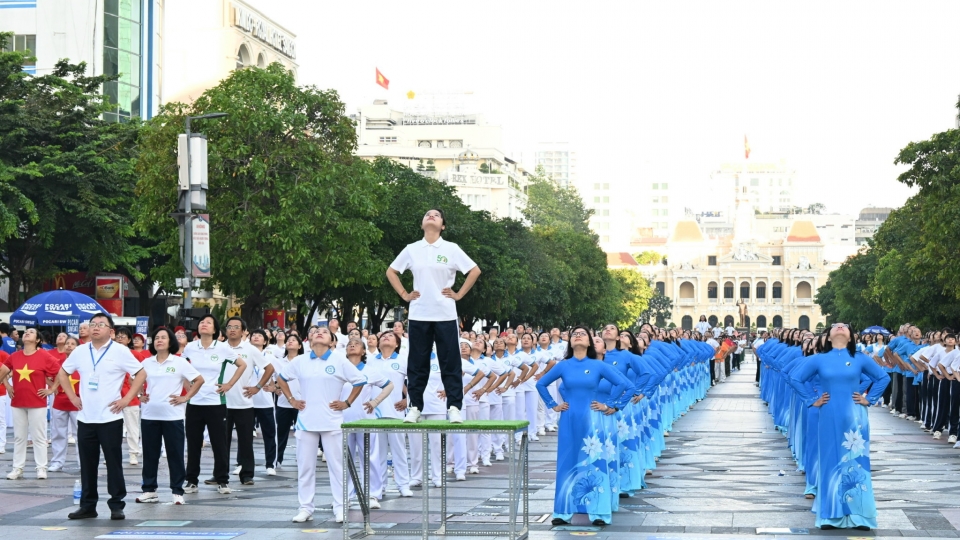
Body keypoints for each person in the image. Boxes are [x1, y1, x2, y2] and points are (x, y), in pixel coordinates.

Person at [790, 323, 889, 531]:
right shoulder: (818, 359)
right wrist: (811, 400)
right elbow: (795, 378)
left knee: (857, 461)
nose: (841, 327)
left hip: (855, 417)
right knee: (830, 461)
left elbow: (883, 377)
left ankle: (860, 515)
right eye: (836, 326)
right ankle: (830, 515)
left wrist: (869, 399)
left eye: (845, 327)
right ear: (827, 337)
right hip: (828, 414)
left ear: (852, 337)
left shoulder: (860, 358)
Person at [387, 208, 481, 425]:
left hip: (445, 314)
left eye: (436, 215)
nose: (431, 216)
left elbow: (474, 271)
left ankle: (454, 407)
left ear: (443, 226)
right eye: (427, 214)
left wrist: (458, 294)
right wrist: (404, 294)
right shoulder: (412, 249)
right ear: (422, 224)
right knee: (417, 362)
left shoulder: (451, 248)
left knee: (450, 362)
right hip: (419, 313)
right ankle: (415, 407)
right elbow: (391, 271)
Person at [535, 326, 631, 527]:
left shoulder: (597, 365)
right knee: (567, 462)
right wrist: (554, 405)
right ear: (570, 342)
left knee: (594, 462)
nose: (578, 336)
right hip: (569, 420)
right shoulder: (563, 365)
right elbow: (541, 384)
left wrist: (611, 405)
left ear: (589, 343)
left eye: (583, 334)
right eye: (574, 334)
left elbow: (624, 384)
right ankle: (563, 511)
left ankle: (598, 512)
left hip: (592, 422)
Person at [57, 313, 147, 520]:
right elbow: (63, 373)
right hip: (86, 418)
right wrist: (72, 396)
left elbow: (140, 373)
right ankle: (88, 506)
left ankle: (116, 504)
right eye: (93, 324)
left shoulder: (121, 351)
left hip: (110, 417)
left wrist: (126, 399)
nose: (96, 328)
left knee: (113, 462)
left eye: (101, 324)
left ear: (111, 331)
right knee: (87, 464)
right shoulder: (80, 351)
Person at [276, 326, 366, 524]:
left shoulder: (339, 360)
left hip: (332, 421)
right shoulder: (301, 360)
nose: (319, 333)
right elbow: (281, 378)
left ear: (332, 341)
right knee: (306, 467)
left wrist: (347, 403)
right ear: (308, 338)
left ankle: (340, 507)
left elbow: (359, 381)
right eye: (316, 331)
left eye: (325, 332)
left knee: (337, 467)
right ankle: (305, 508)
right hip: (306, 421)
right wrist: (291, 399)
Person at [135, 327, 204, 505]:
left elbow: (199, 380)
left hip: (172, 416)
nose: (159, 340)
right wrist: (140, 394)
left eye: (163, 338)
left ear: (170, 341)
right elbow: (133, 379)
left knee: (175, 453)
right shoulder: (147, 362)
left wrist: (186, 397)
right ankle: (149, 490)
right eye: (156, 337)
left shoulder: (179, 362)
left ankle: (177, 491)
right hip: (149, 415)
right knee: (150, 454)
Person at [181, 314, 248, 495]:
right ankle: (191, 481)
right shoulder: (190, 347)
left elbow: (242, 365)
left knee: (219, 443)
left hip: (215, 401)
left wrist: (229, 385)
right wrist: (189, 389)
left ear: (215, 330)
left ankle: (223, 480)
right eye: (202, 322)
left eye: (208, 322)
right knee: (194, 443)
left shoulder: (223, 348)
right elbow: (182, 368)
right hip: (194, 402)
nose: (204, 324)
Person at [0, 328, 58, 480]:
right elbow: (2, 371)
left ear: (38, 339)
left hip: (37, 402)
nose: (26, 333)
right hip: (18, 401)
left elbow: (60, 372)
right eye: (26, 332)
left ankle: (41, 468)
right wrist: (7, 386)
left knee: (39, 437)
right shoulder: (15, 356)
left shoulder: (44, 356)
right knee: (20, 437)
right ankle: (17, 468)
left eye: (31, 332)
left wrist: (52, 389)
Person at [222, 317, 273, 486]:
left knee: (245, 441)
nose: (232, 329)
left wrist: (257, 387)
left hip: (244, 402)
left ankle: (247, 474)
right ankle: (220, 474)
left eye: (236, 327)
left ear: (244, 331)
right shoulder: (219, 348)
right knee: (221, 441)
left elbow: (269, 368)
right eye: (229, 326)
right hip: (221, 402)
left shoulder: (250, 349)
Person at [367, 331, 413, 497]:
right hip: (375, 413)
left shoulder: (402, 360)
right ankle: (379, 487)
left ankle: (403, 485)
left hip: (396, 411)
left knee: (399, 450)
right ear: (378, 344)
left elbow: (414, 381)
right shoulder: (371, 361)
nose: (386, 337)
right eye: (383, 337)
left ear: (397, 344)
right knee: (377, 452)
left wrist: (408, 399)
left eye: (391, 336)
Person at [246, 329, 279, 476]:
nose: (256, 337)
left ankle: (270, 464)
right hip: (246, 401)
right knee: (245, 435)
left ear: (265, 341)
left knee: (269, 434)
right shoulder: (244, 355)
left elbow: (283, 377)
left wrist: (274, 387)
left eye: (260, 336)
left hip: (265, 402)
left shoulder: (270, 357)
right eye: (253, 335)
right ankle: (242, 464)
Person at [48, 336, 81, 472]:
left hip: (78, 404)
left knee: (80, 434)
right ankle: (57, 461)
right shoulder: (57, 362)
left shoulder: (83, 363)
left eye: (73, 344)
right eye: (67, 343)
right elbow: (46, 375)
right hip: (60, 402)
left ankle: (83, 463)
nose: (69, 346)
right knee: (58, 433)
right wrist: (52, 388)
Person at [115, 327, 145, 465]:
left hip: (130, 396)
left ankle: (133, 452)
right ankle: (112, 453)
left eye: (123, 336)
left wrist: (139, 393)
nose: (120, 338)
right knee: (112, 428)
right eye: (118, 336)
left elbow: (143, 376)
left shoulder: (136, 355)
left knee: (132, 426)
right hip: (113, 397)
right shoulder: (109, 354)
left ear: (129, 340)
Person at [274, 334, 304, 469]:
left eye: (294, 340)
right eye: (288, 341)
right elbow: (273, 378)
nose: (290, 342)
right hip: (283, 403)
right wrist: (275, 388)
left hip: (301, 403)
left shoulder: (304, 361)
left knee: (302, 434)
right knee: (281, 433)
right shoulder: (279, 361)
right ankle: (277, 459)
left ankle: (302, 459)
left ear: (300, 345)